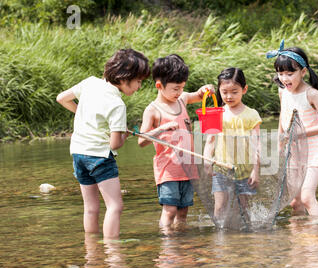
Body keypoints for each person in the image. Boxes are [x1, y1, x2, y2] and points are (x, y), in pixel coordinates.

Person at [56, 48, 150, 239]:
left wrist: (85, 114)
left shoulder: (90, 83)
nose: (139, 86)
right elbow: (114, 144)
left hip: (78, 154)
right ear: (124, 78)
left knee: (90, 208)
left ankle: (91, 251)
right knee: (115, 206)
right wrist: (123, 134)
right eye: (138, 81)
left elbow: (61, 99)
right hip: (99, 157)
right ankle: (112, 250)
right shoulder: (117, 105)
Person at [138, 54, 214, 230]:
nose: (179, 92)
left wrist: (205, 90)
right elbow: (141, 141)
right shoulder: (152, 110)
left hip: (188, 167)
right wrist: (162, 129)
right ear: (159, 85)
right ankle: (167, 243)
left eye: (182, 87)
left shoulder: (182, 99)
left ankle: (181, 242)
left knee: (183, 211)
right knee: (170, 209)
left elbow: (199, 95)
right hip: (168, 169)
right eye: (175, 88)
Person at [267, 40, 318, 217]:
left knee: (307, 197)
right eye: (280, 74)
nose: (284, 79)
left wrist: (301, 133)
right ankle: (299, 240)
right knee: (295, 202)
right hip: (292, 150)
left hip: (313, 149)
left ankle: (317, 238)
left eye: (290, 73)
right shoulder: (283, 91)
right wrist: (280, 145)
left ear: (303, 72)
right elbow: (283, 117)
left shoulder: (311, 94)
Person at [203, 67, 262, 227]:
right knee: (220, 206)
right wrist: (207, 161)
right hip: (221, 169)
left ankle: (245, 239)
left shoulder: (252, 114)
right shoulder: (215, 113)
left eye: (234, 92)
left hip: (245, 169)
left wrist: (256, 171)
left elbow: (257, 144)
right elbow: (210, 141)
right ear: (219, 91)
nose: (229, 96)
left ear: (244, 89)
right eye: (224, 92)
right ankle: (221, 239)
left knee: (244, 207)